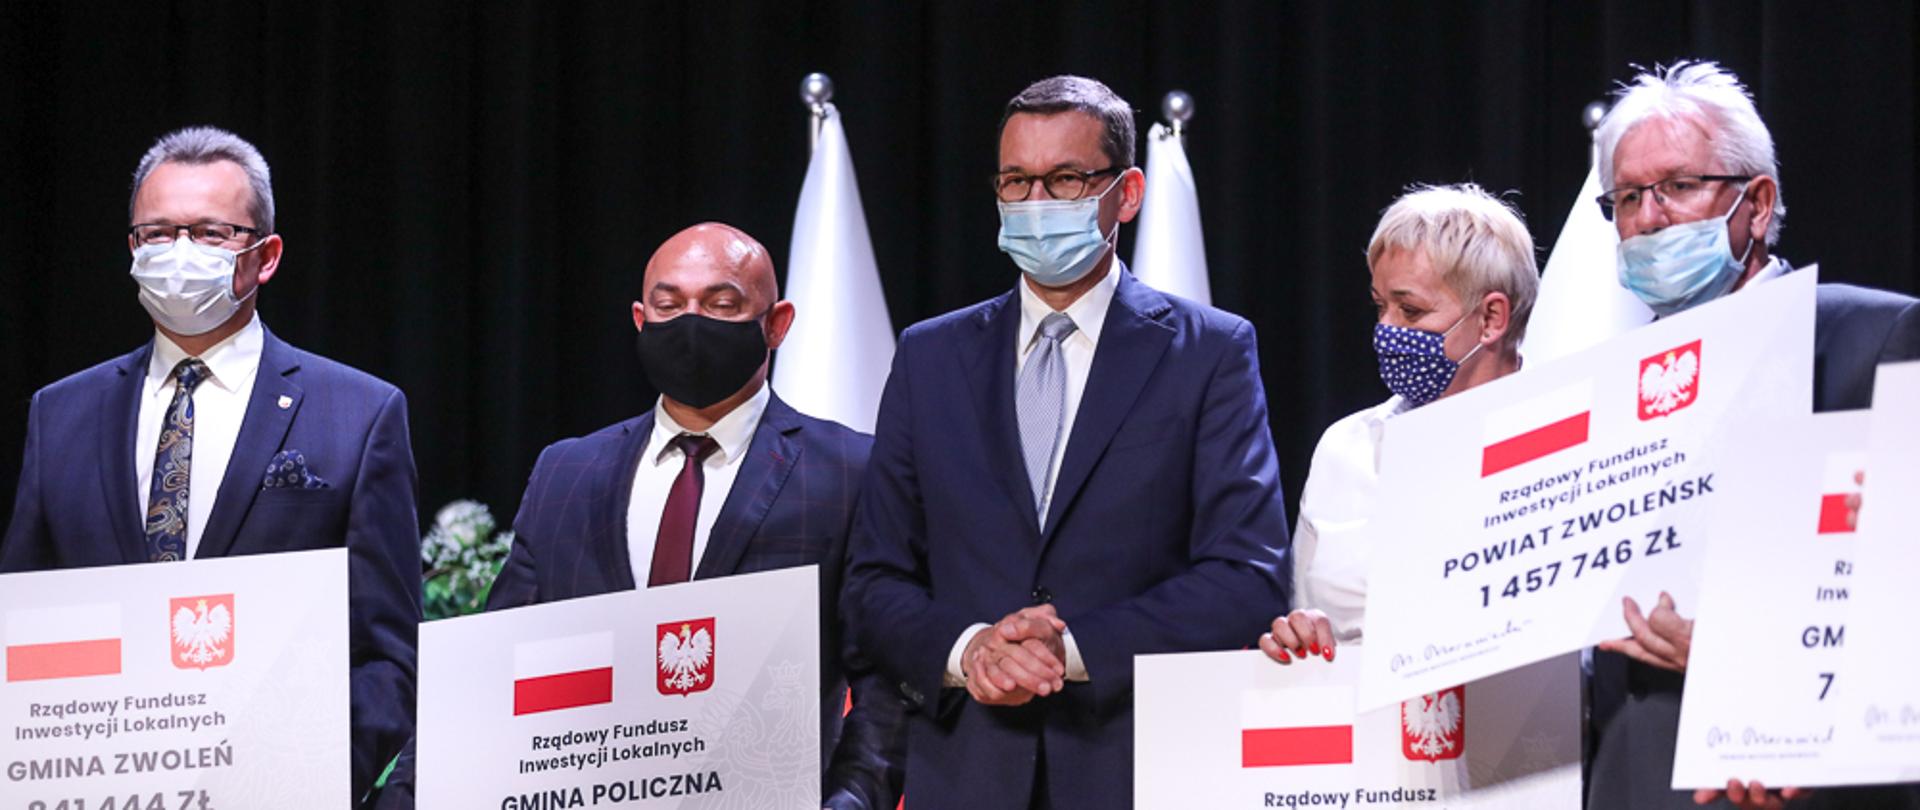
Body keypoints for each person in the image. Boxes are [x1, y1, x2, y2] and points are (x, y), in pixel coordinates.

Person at [843, 75, 1291, 810]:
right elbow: (874, 582)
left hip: (1141, 771)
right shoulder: (930, 356)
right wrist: (971, 650)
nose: (1036, 203)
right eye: (1016, 181)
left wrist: (1070, 650)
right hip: (966, 775)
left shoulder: (1209, 352)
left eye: (1065, 180)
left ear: (1127, 192)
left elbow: (1247, 576)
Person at [381, 223, 906, 810]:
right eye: (669, 305)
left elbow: (885, 677)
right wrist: (404, 794)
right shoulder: (568, 472)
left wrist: (851, 800)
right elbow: (496, 667)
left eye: (721, 304)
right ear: (640, 319)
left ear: (777, 324)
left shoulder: (848, 471)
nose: (691, 322)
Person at [0, 126, 420, 806]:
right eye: (158, 234)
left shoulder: (359, 413)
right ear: (133, 250)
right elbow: (23, 629)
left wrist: (304, 775)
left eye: (209, 233)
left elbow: (389, 654)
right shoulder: (62, 413)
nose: (179, 253)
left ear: (266, 255)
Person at [1587, 60, 1920, 810]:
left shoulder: (1875, 336)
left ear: (1757, 204)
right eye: (1629, 197)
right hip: (1634, 767)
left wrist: (1757, 665)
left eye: (1678, 185)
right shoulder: (1606, 389)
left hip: (1807, 774)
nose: (1650, 218)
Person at [1260, 184, 1538, 663]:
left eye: (1410, 310)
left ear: (1492, 317)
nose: (1386, 329)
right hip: (1350, 708)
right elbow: (1300, 610)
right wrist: (1298, 636)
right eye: (1380, 306)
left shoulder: (1566, 437)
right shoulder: (1345, 447)